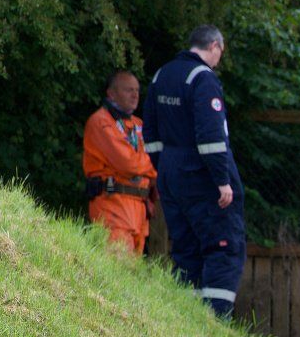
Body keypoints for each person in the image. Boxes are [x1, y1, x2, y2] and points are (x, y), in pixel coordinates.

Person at [143, 25, 246, 317]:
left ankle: (186, 319)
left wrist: (164, 168)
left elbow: (149, 132)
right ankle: (215, 322)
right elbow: (211, 138)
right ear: (214, 46)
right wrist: (222, 181)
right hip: (203, 176)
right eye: (220, 54)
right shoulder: (203, 79)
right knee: (223, 247)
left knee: (186, 249)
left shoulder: (162, 76)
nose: (218, 61)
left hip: (171, 172)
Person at [81, 70, 157, 254]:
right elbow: (128, 164)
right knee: (118, 271)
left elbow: (155, 164)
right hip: (112, 206)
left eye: (137, 90)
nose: (135, 95)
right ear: (111, 93)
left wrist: (149, 166)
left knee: (132, 276)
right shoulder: (101, 122)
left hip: (139, 210)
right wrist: (152, 164)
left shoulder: (139, 124)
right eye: (128, 90)